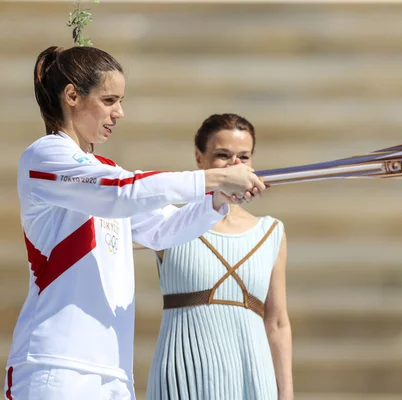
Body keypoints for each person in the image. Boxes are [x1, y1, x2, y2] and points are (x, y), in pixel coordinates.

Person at [4, 46, 266, 400]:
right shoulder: (46, 157)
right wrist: (215, 180)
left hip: (113, 371)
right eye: (110, 100)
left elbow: (165, 230)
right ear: (71, 96)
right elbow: (122, 192)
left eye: (121, 101)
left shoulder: (106, 172)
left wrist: (217, 201)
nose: (120, 113)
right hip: (56, 365)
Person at [146, 114, 293, 400]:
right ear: (199, 159)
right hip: (184, 374)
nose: (235, 167)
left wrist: (285, 394)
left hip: (252, 372)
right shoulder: (169, 223)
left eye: (243, 157)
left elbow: (277, 322)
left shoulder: (271, 231)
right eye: (223, 156)